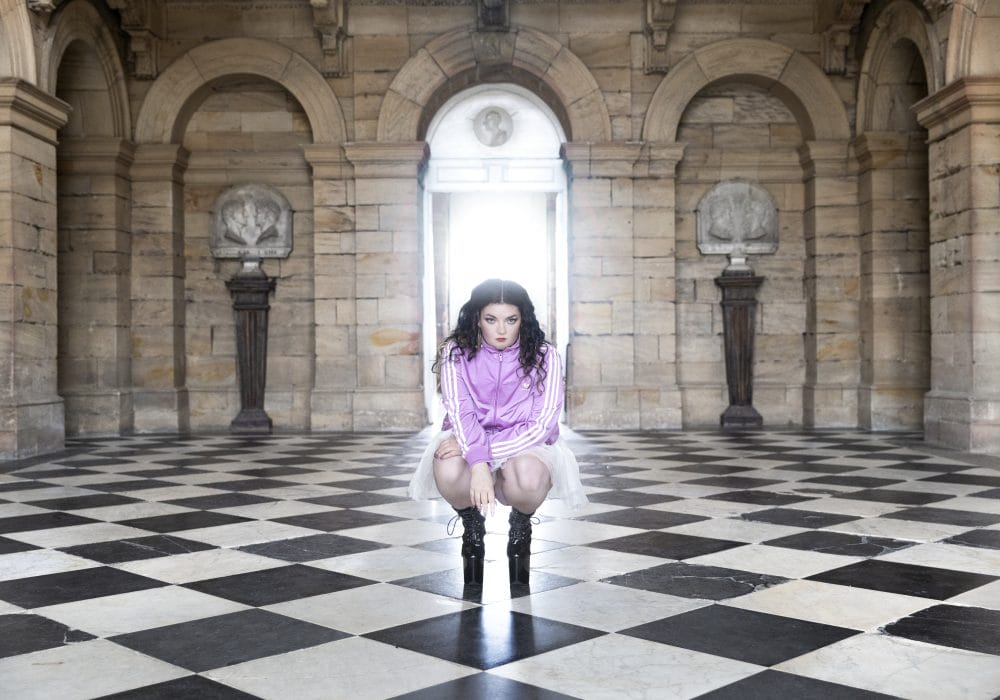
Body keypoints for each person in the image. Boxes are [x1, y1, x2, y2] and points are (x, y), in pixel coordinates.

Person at [409, 279, 588, 585]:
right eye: (491, 320)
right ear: (477, 318)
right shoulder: (456, 353)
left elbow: (542, 425)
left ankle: (520, 522)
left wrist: (482, 455)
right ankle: (472, 525)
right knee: (448, 467)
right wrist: (477, 461)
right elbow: (460, 412)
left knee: (530, 480)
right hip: (469, 435)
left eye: (511, 320)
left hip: (525, 443)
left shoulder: (547, 356)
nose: (501, 330)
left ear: (523, 320)